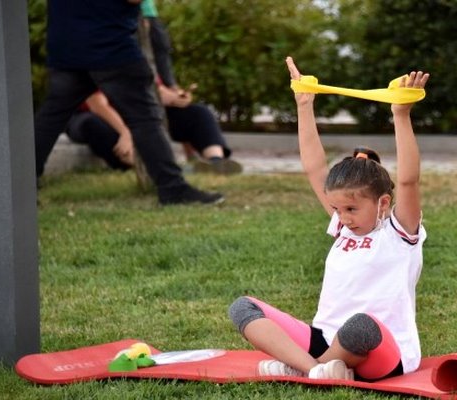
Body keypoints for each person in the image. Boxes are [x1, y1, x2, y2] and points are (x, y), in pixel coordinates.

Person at [228, 57, 430, 381]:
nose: (342, 218)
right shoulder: (342, 227)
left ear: (383, 203)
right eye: (337, 210)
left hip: (380, 348)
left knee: (360, 326)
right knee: (243, 308)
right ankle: (315, 369)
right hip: (325, 339)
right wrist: (304, 104)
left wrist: (400, 114)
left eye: (351, 210)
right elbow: (314, 168)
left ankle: (304, 366)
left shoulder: (399, 231)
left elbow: (409, 179)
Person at [34, 0, 223, 205]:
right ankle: (173, 188)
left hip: (66, 47)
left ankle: (20, 183)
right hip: (110, 47)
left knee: (51, 118)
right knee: (145, 119)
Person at [66, 88, 243, 175]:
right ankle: (149, 169)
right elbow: (98, 105)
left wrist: (178, 97)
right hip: (94, 115)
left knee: (198, 112)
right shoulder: (91, 56)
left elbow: (156, 89)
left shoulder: (136, 54)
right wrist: (125, 133)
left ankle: (216, 162)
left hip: (136, 115)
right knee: (95, 126)